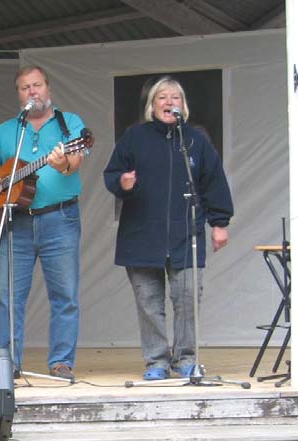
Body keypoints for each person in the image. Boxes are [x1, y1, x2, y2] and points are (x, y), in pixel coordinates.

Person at [103, 76, 233, 381]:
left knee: (187, 299)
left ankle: (185, 358)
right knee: (149, 303)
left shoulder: (195, 140)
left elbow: (214, 182)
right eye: (162, 97)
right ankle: (156, 361)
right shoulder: (134, 136)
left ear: (183, 106)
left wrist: (219, 223)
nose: (169, 102)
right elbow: (112, 173)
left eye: (175, 97)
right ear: (152, 105)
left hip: (185, 233)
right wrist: (122, 182)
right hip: (142, 233)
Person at [0, 65, 86, 381]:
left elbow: (74, 163)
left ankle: (60, 363)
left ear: (48, 87)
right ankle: (7, 363)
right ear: (18, 94)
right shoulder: (6, 131)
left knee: (64, 295)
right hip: (14, 221)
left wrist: (64, 163)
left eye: (37, 85)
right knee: (8, 296)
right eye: (25, 87)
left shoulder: (68, 123)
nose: (33, 92)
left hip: (60, 218)